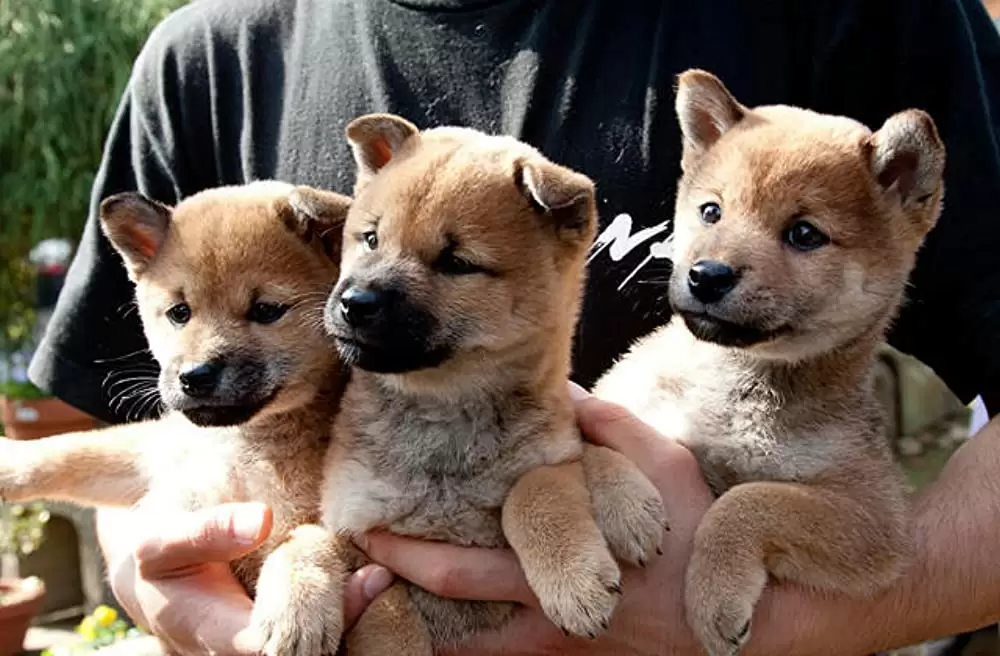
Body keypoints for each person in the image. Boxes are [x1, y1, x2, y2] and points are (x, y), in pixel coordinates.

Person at [27, 0, 1000, 653]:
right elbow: (127, 438)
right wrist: (176, 595)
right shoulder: (208, 60)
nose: (357, 294)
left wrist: (765, 620)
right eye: (358, 244)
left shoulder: (852, 11)